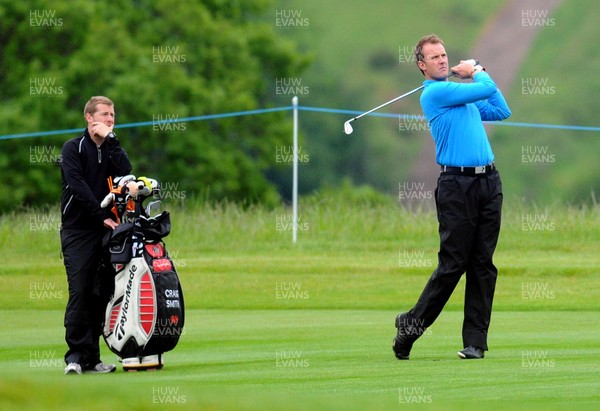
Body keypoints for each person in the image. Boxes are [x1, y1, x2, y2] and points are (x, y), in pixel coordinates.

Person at [393, 34, 511, 360]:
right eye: (435, 57)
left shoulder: (460, 96)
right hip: (456, 185)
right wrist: (475, 69)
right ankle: (410, 327)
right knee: (453, 265)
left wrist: (477, 74)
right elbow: (485, 87)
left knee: (482, 265)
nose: (442, 60)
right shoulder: (437, 93)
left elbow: (501, 109)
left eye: (444, 55)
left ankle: (475, 343)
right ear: (422, 65)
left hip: (489, 182)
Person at [60, 96, 132, 374]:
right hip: (78, 230)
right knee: (80, 290)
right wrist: (101, 216)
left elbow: (125, 171)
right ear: (89, 118)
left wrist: (111, 138)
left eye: (113, 114)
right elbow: (78, 187)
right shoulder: (72, 148)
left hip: (107, 229)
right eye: (104, 114)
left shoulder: (111, 147)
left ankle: (92, 358)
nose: (110, 118)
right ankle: (75, 357)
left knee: (101, 292)